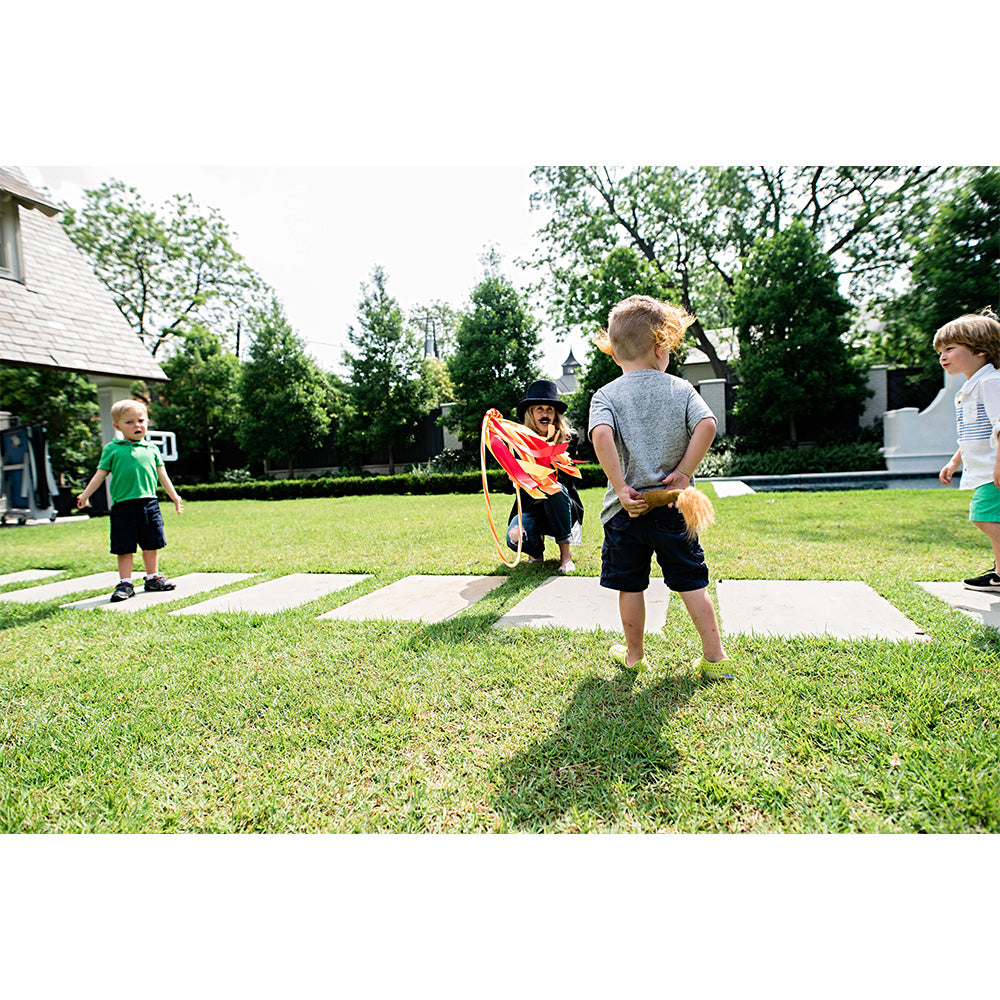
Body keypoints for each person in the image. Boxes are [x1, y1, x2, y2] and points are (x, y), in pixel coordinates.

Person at [588, 295, 733, 680]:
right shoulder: (681, 388)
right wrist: (683, 473)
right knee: (692, 582)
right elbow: (707, 424)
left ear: (614, 353)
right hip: (673, 505)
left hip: (628, 510)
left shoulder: (606, 395)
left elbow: (600, 435)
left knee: (631, 586)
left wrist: (621, 487)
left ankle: (634, 656)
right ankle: (715, 657)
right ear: (660, 347)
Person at [77, 398, 184, 602]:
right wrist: (85, 495)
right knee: (124, 546)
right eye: (129, 422)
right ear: (117, 426)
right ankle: (125, 583)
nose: (137, 425)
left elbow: (163, 476)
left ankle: (153, 578)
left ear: (147, 422)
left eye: (141, 421)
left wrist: (175, 497)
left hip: (149, 504)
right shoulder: (112, 449)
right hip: (123, 506)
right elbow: (100, 474)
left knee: (151, 543)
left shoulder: (151, 449)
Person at [935, 309, 1000, 592]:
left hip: (994, 471)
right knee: (990, 517)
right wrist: (954, 462)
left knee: (983, 516)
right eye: (940, 351)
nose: (943, 356)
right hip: (986, 470)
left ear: (980, 350)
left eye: (950, 348)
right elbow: (973, 434)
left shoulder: (991, 382)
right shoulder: (972, 386)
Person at [506, 380, 583, 574]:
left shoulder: (568, 438)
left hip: (561, 506)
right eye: (539, 409)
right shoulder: (517, 441)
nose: (545, 414)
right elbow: (510, 487)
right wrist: (514, 477)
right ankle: (536, 551)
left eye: (550, 409)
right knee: (514, 538)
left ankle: (566, 555)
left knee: (553, 489)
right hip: (531, 506)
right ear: (530, 413)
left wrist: (540, 473)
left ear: (555, 414)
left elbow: (567, 479)